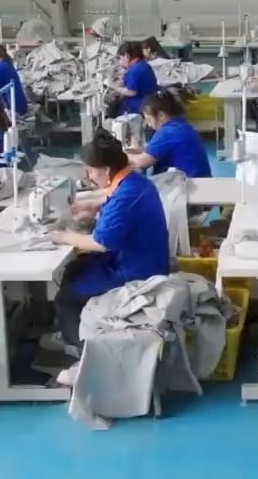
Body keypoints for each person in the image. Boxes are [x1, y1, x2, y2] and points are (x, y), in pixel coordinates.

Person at [50, 131, 171, 352]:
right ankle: (74, 330)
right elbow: (110, 197)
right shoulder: (135, 182)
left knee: (67, 297)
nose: (88, 175)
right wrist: (92, 207)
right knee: (73, 269)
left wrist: (63, 236)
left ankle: (82, 351)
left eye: (90, 170)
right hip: (138, 259)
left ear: (106, 170)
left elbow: (102, 243)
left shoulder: (126, 196)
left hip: (137, 272)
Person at [129, 89, 213, 177]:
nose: (149, 125)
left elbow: (141, 163)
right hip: (202, 179)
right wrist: (140, 149)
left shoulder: (167, 132)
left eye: (149, 120)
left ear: (161, 115)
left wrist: (122, 156)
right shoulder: (181, 124)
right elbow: (159, 147)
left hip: (189, 182)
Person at [112, 41, 158, 117]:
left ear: (127, 56)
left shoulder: (135, 70)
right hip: (149, 102)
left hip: (137, 108)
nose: (119, 62)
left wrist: (115, 87)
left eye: (120, 58)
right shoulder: (143, 64)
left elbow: (131, 92)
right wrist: (124, 83)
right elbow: (139, 83)